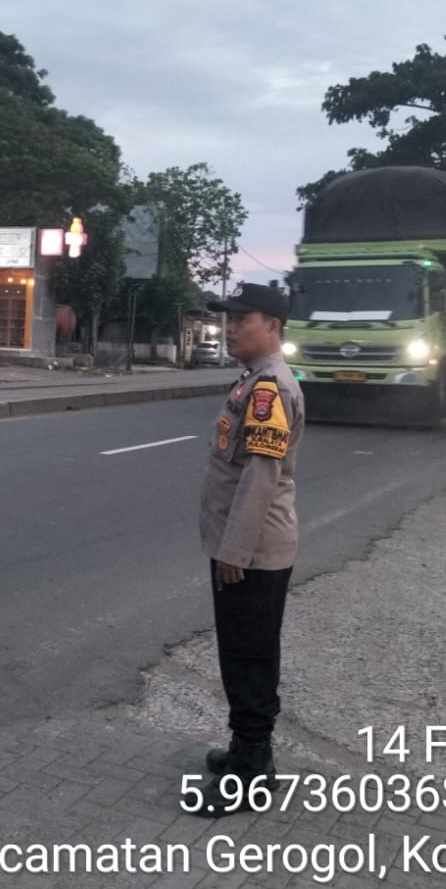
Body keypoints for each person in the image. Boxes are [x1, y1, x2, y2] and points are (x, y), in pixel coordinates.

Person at [193, 282, 305, 817]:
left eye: (243, 318)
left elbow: (261, 476)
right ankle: (246, 750)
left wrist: (234, 551)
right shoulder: (254, 380)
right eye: (230, 318)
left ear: (273, 327)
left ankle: (252, 771)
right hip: (244, 547)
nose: (231, 327)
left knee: (251, 658)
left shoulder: (269, 390)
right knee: (241, 653)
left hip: (253, 552)